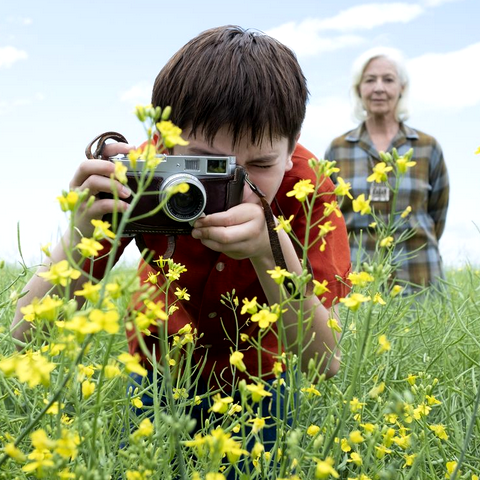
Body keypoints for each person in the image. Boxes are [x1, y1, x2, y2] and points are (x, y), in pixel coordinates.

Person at [11, 25, 351, 468]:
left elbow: (323, 363)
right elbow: (23, 334)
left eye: (262, 165)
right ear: (164, 144)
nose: (237, 184)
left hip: (263, 378)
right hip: (159, 369)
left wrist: (272, 251)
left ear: (291, 153)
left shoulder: (309, 187)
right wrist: (80, 233)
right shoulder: (143, 174)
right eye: (205, 165)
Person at [325, 46, 449, 291]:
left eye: (388, 79)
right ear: (359, 89)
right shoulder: (338, 149)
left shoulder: (427, 147)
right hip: (357, 281)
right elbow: (329, 213)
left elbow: (438, 216)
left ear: (401, 88)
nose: (379, 88)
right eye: (370, 80)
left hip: (420, 277)